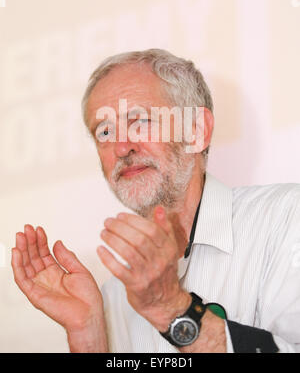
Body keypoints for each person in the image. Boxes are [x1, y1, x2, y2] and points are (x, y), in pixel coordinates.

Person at [11, 49, 300, 353]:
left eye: (140, 121)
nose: (121, 147)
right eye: (105, 131)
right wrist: (88, 334)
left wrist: (170, 308)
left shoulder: (286, 219)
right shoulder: (113, 295)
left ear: (195, 130)